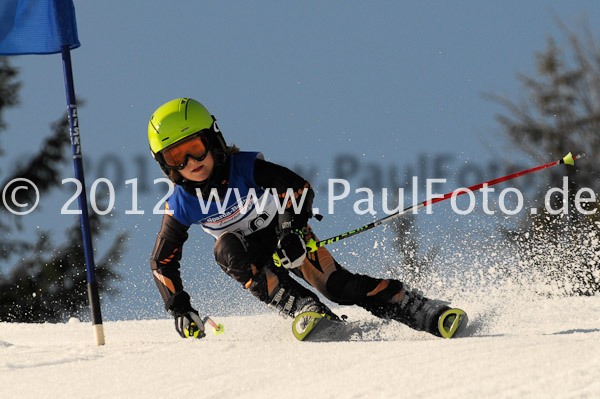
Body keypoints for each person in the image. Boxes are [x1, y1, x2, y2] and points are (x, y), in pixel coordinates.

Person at [148, 98, 466, 339]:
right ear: (166, 165)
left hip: (288, 235)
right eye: (177, 156)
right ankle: (304, 307)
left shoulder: (243, 168)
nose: (191, 162)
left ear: (212, 139)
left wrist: (292, 231)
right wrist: (180, 307)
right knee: (225, 248)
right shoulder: (182, 202)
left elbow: (297, 187)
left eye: (195, 148)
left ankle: (422, 310)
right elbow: (162, 261)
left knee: (337, 286)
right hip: (250, 257)